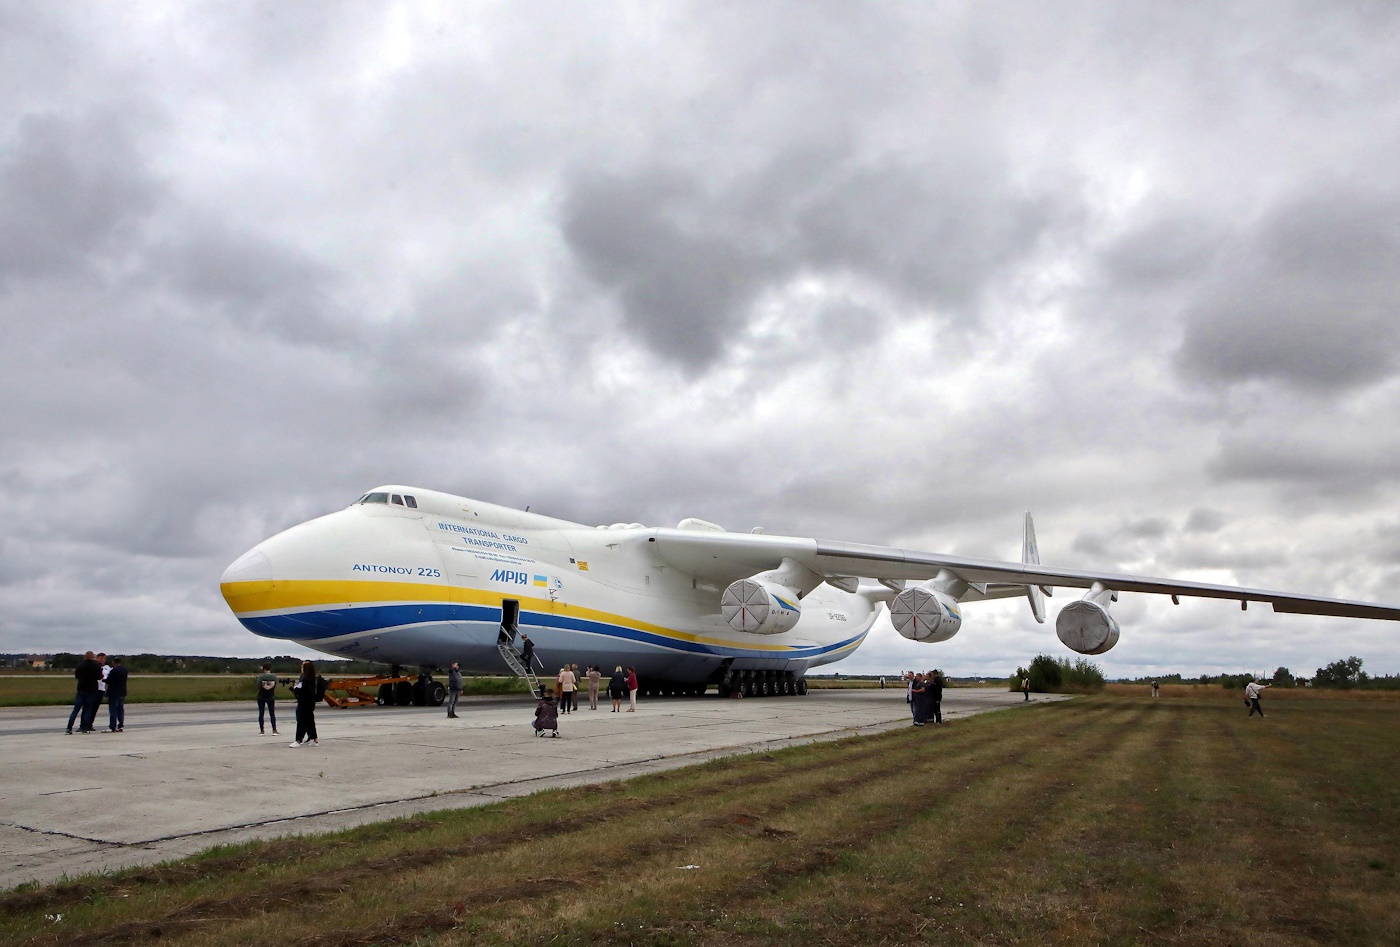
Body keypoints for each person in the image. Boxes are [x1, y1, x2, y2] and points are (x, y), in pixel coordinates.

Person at [67, 651, 102, 734]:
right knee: (88, 710)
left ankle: (69, 728)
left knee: (76, 710)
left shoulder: (80, 665)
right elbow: (99, 677)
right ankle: (85, 728)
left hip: (81, 689)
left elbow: (76, 676)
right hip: (92, 690)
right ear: (92, 657)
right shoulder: (95, 666)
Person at [289, 660, 322, 747]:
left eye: (303, 667)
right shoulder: (311, 678)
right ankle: (314, 739)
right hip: (309, 703)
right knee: (310, 722)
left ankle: (298, 740)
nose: (302, 669)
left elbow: (304, 691)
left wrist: (295, 689)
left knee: (301, 722)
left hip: (305, 703)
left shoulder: (307, 679)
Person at [105, 657, 128, 732]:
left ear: (113, 662)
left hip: (114, 692)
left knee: (113, 710)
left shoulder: (113, 671)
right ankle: (121, 725)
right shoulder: (124, 670)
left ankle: (112, 726)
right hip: (122, 692)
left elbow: (109, 681)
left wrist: (103, 680)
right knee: (120, 709)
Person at [256, 662, 279, 734]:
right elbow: (275, 685)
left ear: (264, 669)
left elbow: (258, 686)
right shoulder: (274, 677)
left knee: (261, 713)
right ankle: (274, 730)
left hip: (261, 696)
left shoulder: (261, 677)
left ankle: (262, 730)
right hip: (270, 696)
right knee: (272, 713)